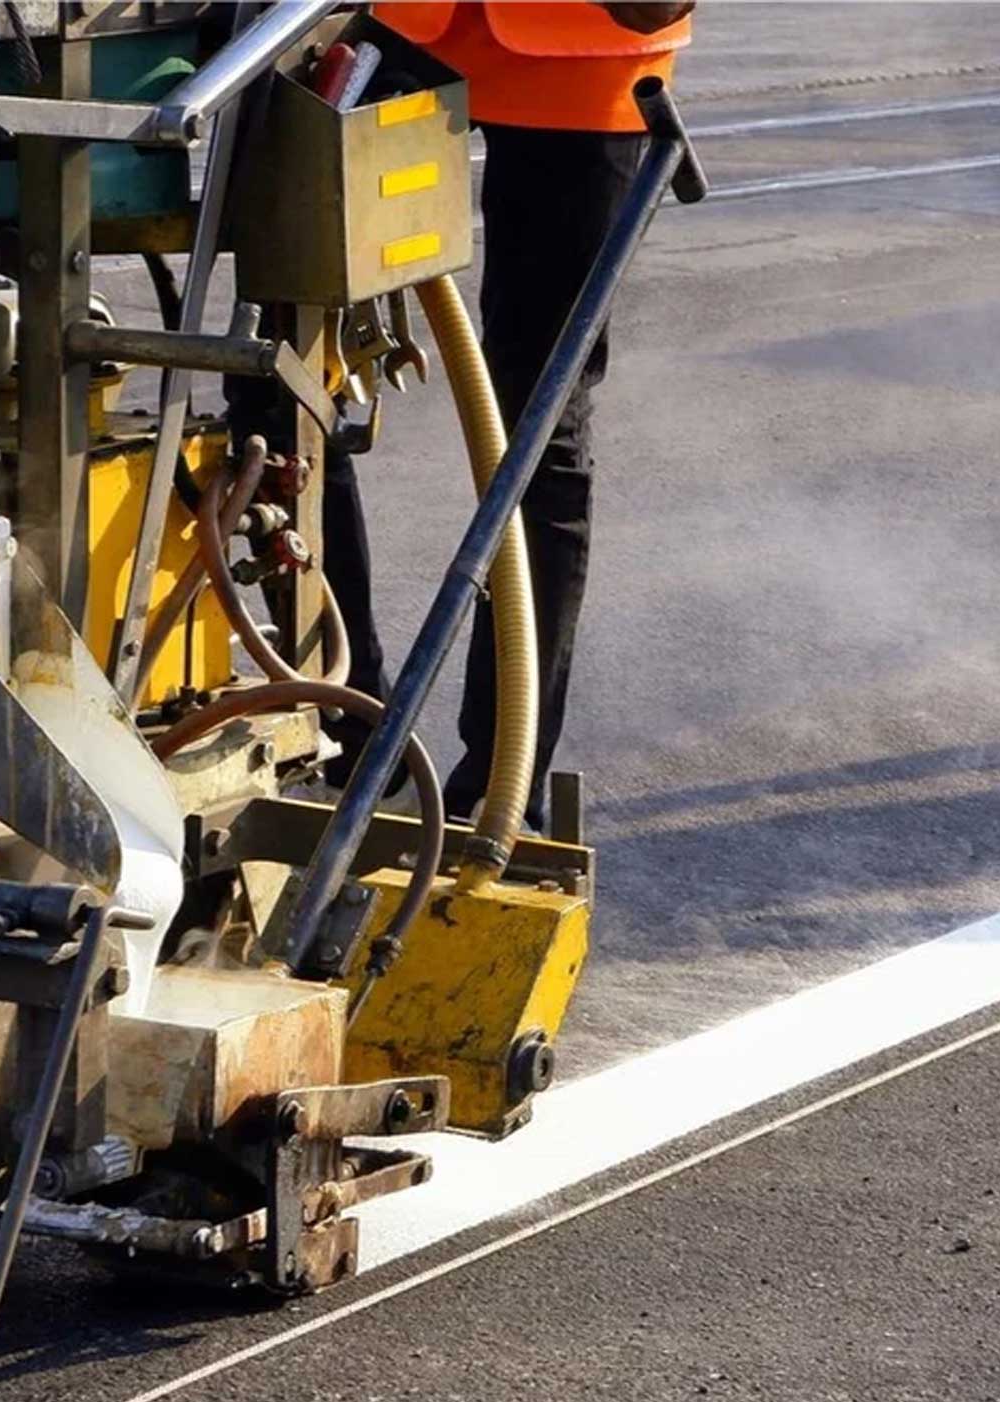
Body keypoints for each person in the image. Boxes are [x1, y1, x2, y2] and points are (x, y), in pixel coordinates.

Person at [322, 0, 696, 830]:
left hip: (586, 40)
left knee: (539, 419)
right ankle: (341, 726)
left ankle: (499, 778)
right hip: (391, 24)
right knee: (290, 377)